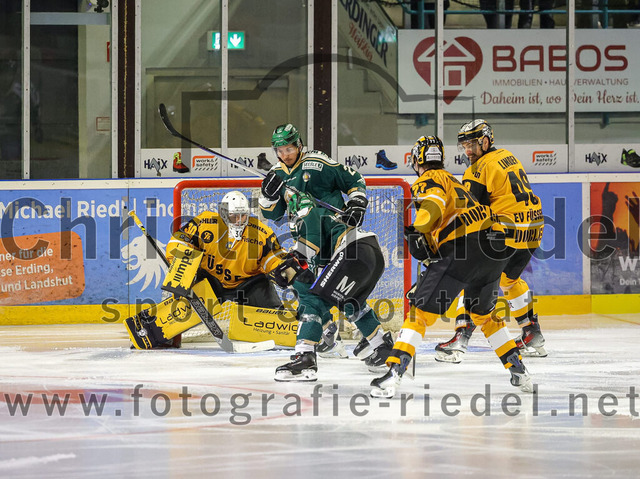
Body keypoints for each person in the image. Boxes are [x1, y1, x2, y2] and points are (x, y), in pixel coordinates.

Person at [370, 135, 533, 398]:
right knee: (484, 316)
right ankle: (520, 371)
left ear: (416, 160)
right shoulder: (457, 182)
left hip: (463, 249)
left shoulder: (427, 180)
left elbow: (433, 204)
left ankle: (393, 375)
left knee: (419, 315)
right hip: (494, 249)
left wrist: (418, 229)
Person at [259, 123, 393, 381]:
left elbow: (352, 179)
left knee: (312, 298)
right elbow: (271, 214)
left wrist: (357, 202)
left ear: (299, 145)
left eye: (289, 149)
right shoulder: (277, 175)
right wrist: (267, 196)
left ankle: (305, 356)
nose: (285, 154)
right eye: (280, 150)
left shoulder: (316, 165)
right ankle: (381, 346)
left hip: (342, 247)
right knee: (348, 301)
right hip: (353, 251)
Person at [125, 190, 302, 349]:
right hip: (211, 281)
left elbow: (273, 258)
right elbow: (179, 241)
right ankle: (151, 333)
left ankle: (302, 336)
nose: (239, 221)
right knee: (182, 309)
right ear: (224, 214)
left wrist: (282, 270)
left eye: (243, 216)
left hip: (250, 283)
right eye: (234, 216)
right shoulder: (205, 223)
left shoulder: (261, 232)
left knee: (275, 319)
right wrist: (184, 267)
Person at [435, 119, 546, 363]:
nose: (468, 151)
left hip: (505, 232)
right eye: (464, 146)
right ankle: (531, 333)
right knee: (509, 280)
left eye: (472, 145)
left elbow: (470, 211)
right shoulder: (508, 156)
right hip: (533, 228)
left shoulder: (478, 169)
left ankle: (461, 338)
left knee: (470, 275)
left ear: (486, 141)